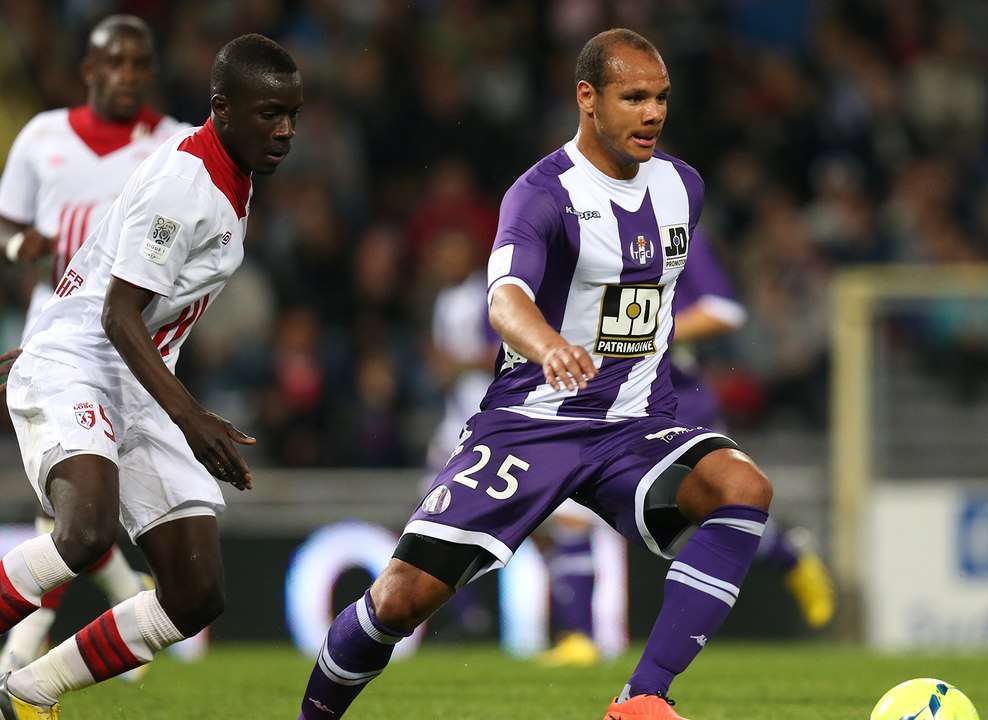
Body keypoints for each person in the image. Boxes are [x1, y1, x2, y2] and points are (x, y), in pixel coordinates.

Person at [297, 28, 773, 720]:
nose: (652, 113)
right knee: (401, 598)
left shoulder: (683, 188)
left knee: (742, 487)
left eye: (661, 97)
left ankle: (641, 699)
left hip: (633, 426)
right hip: (533, 424)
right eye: (634, 97)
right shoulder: (542, 193)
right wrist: (547, 344)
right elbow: (504, 297)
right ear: (587, 98)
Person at [0, 33, 302, 718]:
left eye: (292, 114)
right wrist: (191, 417)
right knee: (85, 532)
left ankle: (28, 693)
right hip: (83, 365)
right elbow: (118, 313)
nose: (285, 131)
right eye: (269, 114)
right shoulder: (183, 185)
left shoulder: (229, 174)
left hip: (133, 377)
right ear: (222, 109)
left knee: (195, 594)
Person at [536, 231, 836, 669]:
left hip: (675, 404)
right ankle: (578, 637)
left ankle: (787, 554)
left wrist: (645, 333)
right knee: (572, 514)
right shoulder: (570, 235)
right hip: (598, 405)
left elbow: (723, 310)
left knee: (710, 514)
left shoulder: (670, 229)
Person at [0, 14, 188, 677]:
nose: (126, 76)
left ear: (152, 73)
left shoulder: (175, 147)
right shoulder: (43, 136)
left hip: (132, 345)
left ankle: (60, 624)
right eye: (114, 62)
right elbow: (7, 221)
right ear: (88, 70)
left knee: (81, 501)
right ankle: (33, 642)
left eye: (138, 64)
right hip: (54, 333)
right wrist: (19, 246)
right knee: (68, 494)